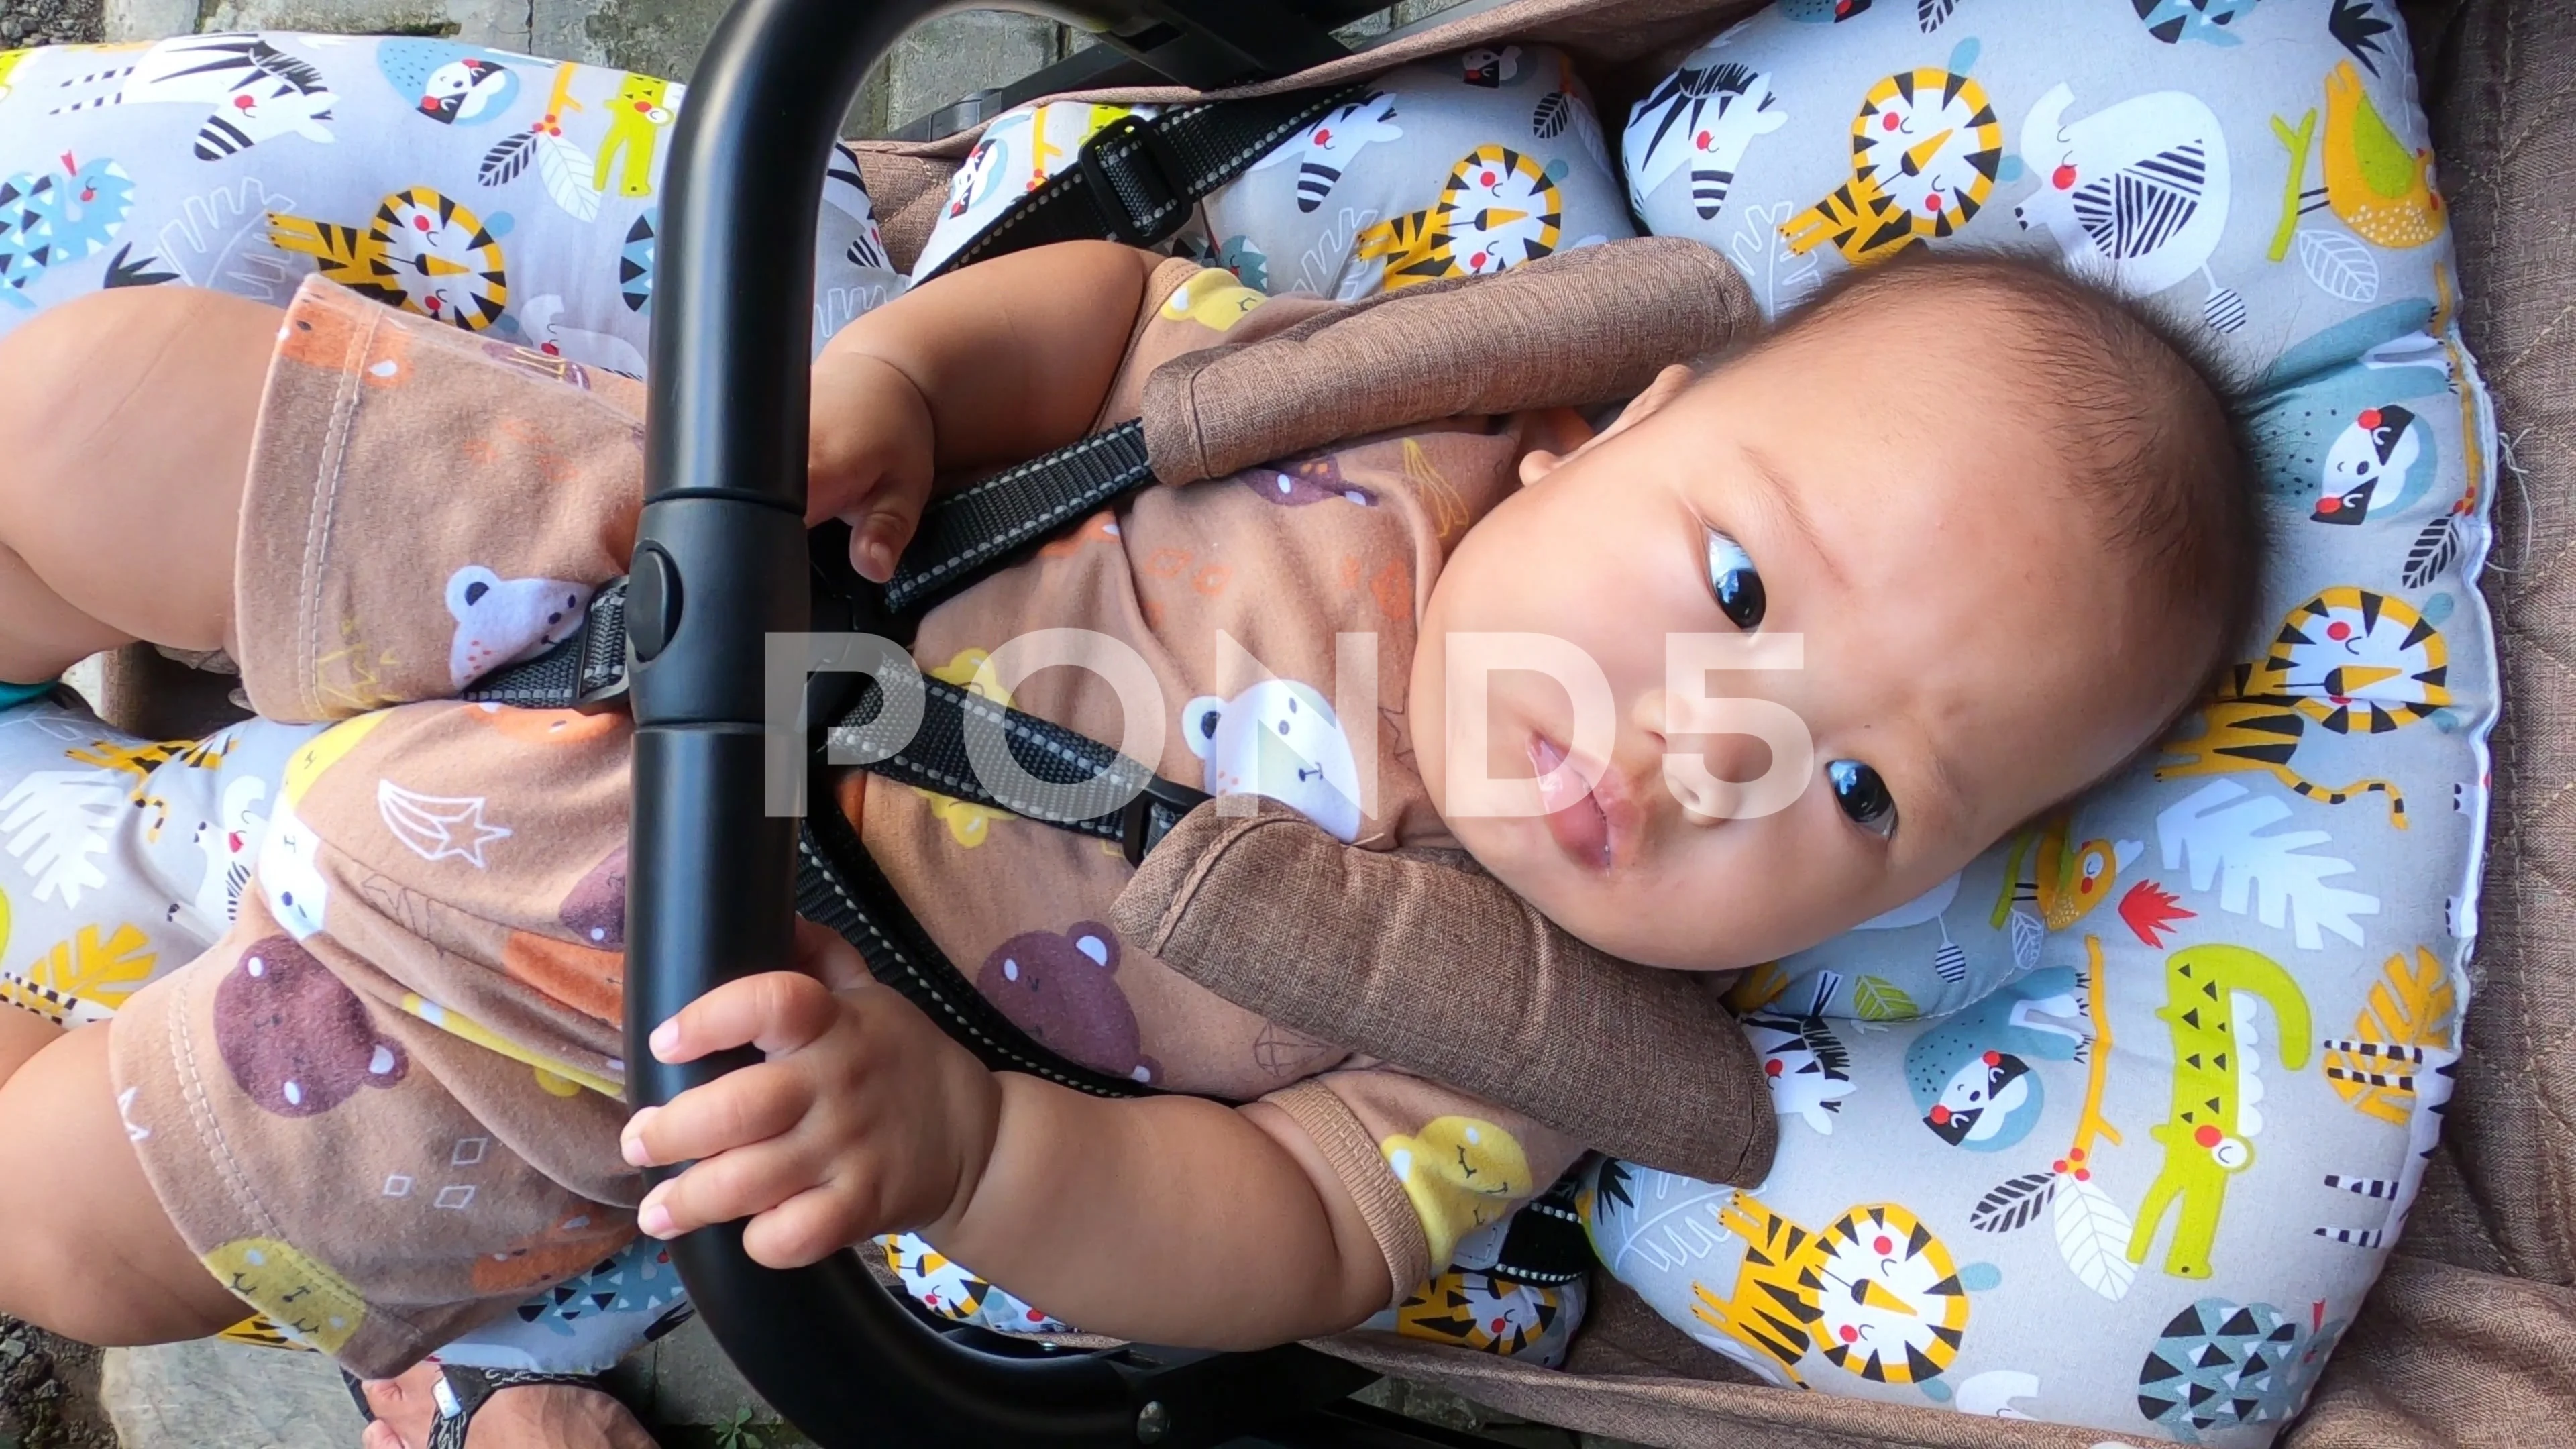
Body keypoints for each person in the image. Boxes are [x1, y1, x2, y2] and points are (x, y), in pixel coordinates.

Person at [0, 237, 2252, 1425]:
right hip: (620, 551)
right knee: (80, 422)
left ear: (1921, 889)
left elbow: (1279, 1230)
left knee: (69, 1242)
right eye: (1740, 587)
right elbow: (1090, 328)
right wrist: (895, 388)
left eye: (1860, 790)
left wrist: (973, 1154)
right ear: (1609, 430)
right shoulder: (1402, 418)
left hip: (599, 1014)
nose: (1712, 745)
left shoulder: (1526, 1034)